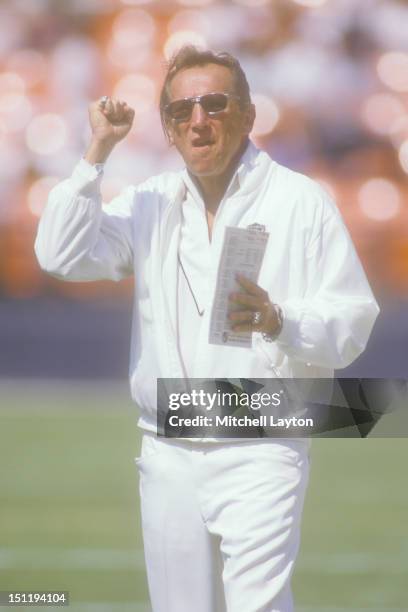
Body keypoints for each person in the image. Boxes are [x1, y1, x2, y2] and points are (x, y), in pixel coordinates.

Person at [35, 46, 379, 612]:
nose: (198, 120)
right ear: (168, 129)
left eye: (214, 104)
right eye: (180, 110)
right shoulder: (150, 201)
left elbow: (352, 321)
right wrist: (95, 153)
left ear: (246, 114)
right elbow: (59, 254)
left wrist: (280, 320)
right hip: (167, 445)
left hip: (261, 438)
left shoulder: (301, 201)